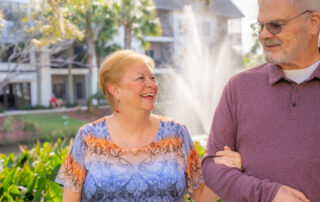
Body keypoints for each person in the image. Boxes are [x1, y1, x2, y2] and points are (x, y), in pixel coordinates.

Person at [55, 50, 242, 202]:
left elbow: (201, 195)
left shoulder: (176, 134)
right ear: (115, 89)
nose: (151, 84)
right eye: (140, 78)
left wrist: (228, 169)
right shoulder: (88, 137)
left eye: (152, 78)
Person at [202, 0, 320, 201]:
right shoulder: (239, 87)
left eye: (276, 25)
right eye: (260, 26)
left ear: (313, 23)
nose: (264, 35)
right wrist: (269, 195)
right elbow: (212, 167)